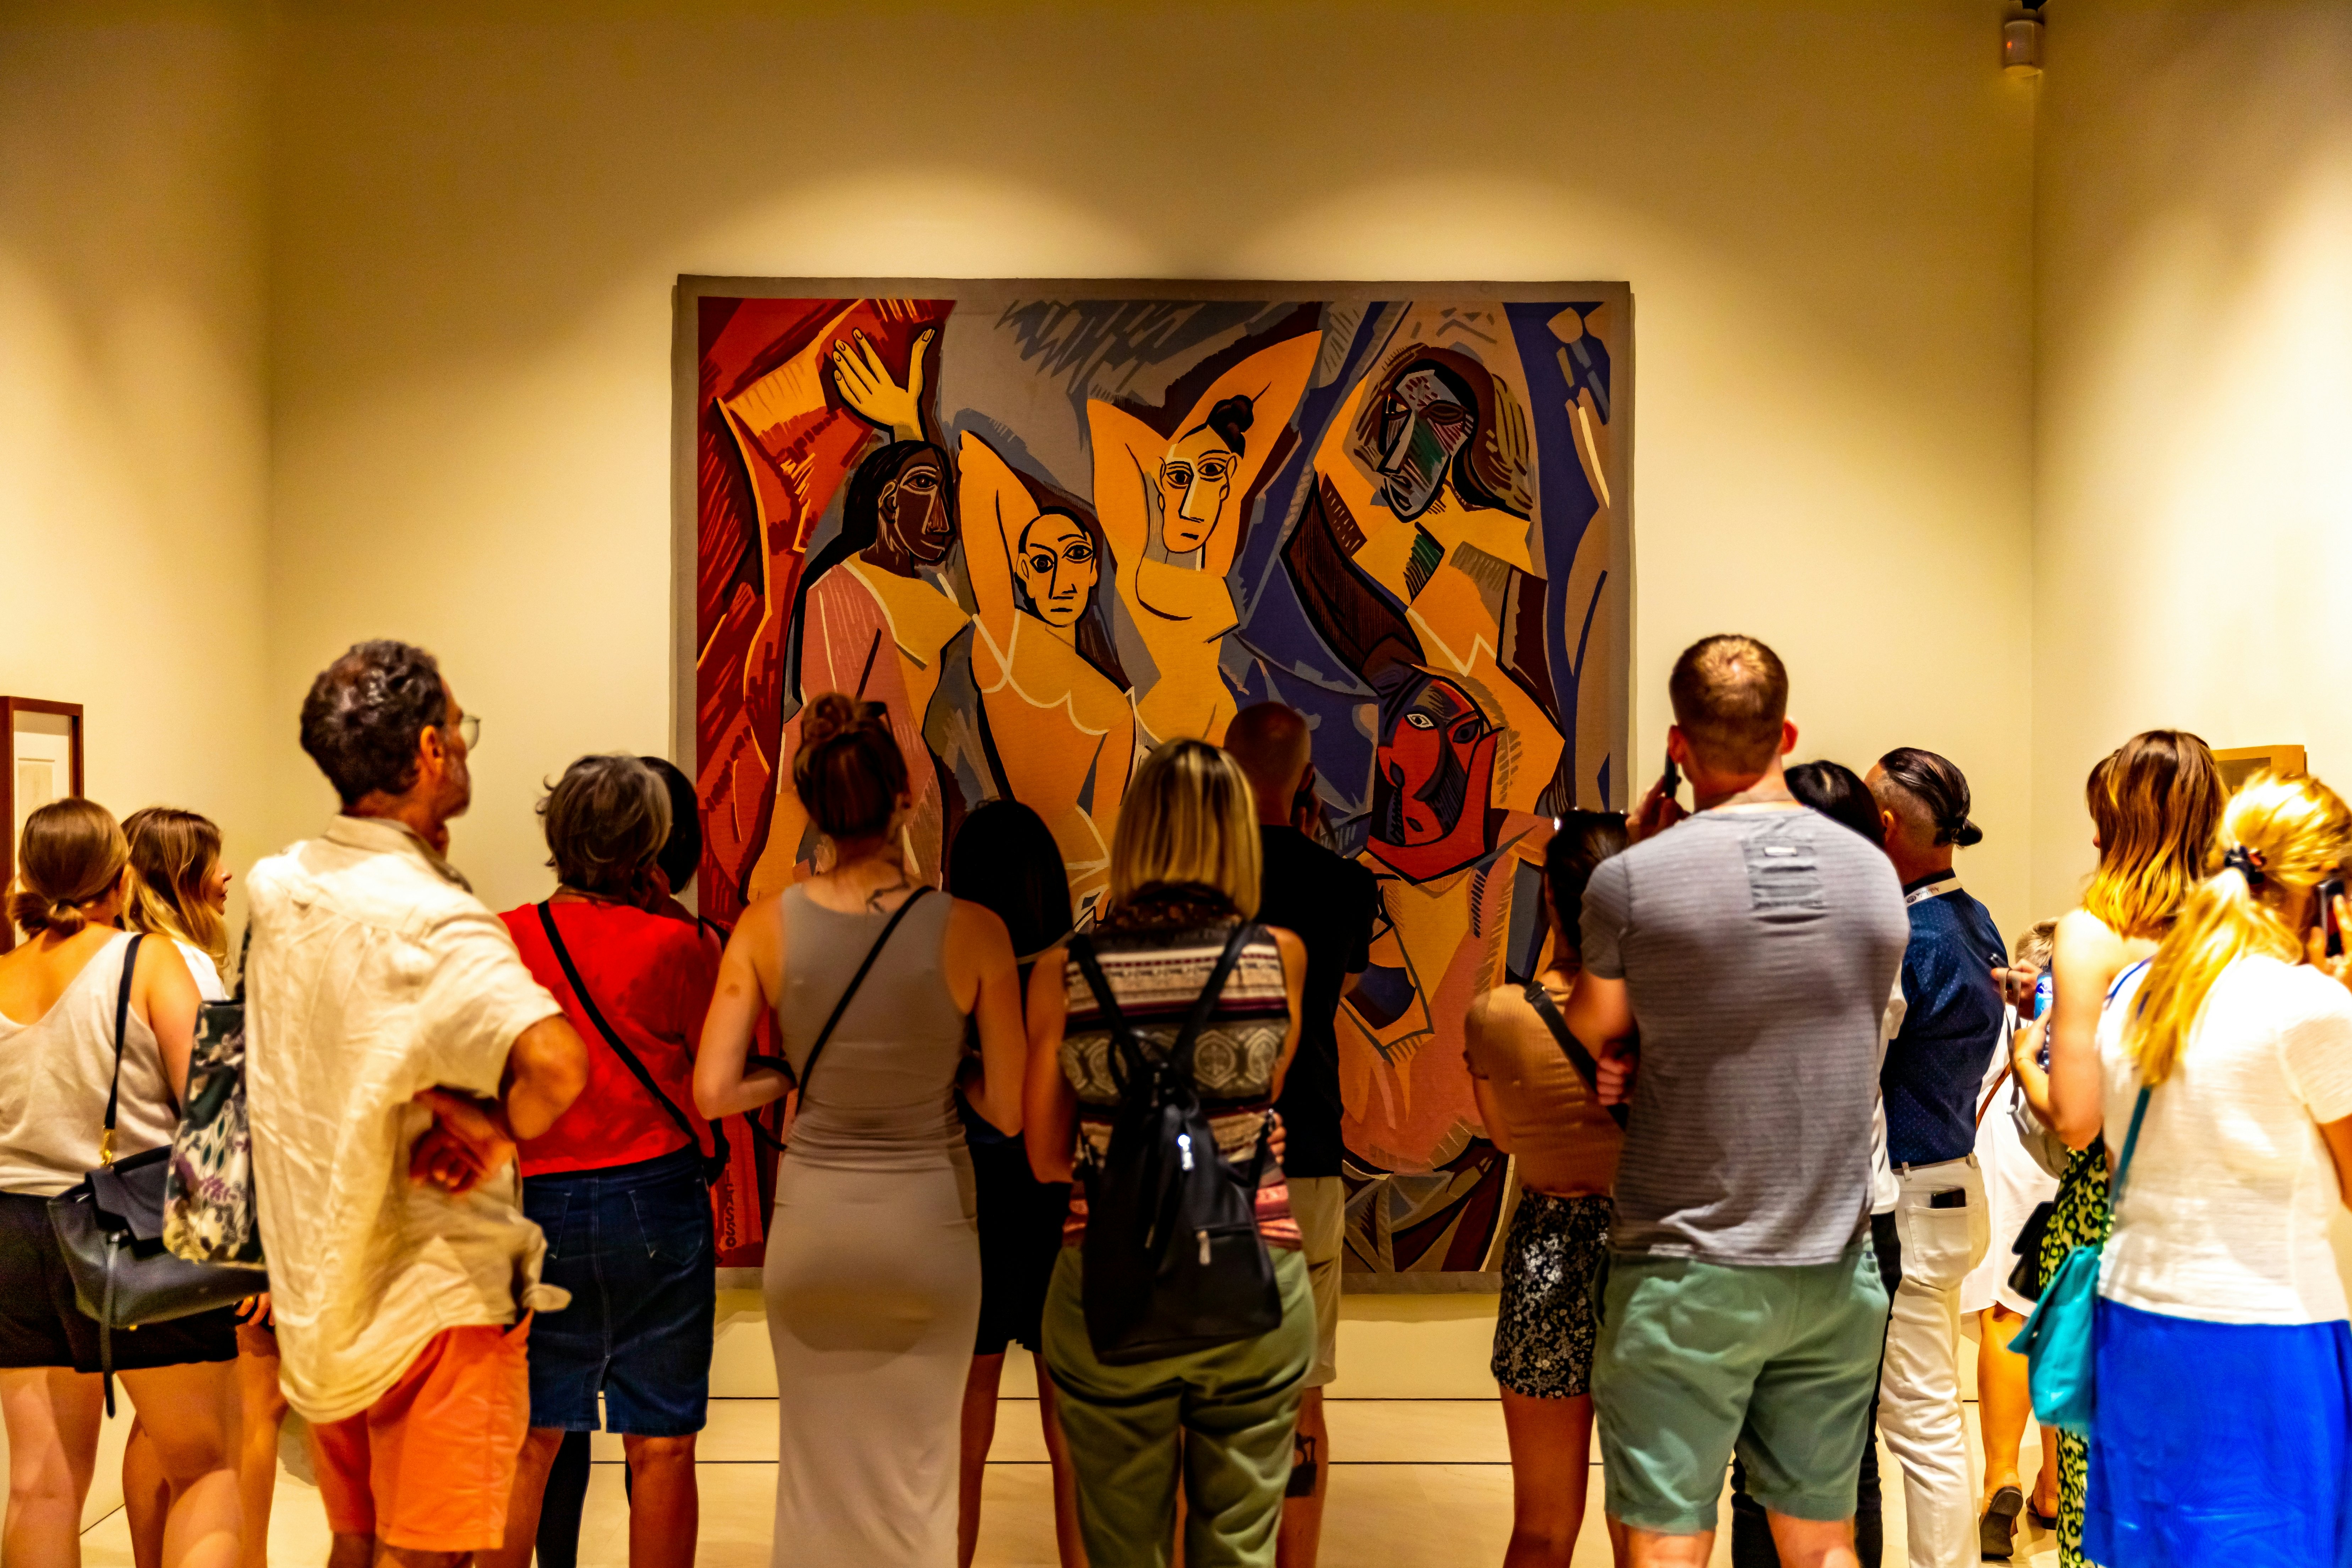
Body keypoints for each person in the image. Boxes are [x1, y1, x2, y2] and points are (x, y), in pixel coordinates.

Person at [245, 639, 591, 1567]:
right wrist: (494, 1127)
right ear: (432, 750)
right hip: (433, 1292)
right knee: (424, 1557)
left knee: (354, 1541)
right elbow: (557, 1064)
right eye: (461, 728)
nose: (467, 748)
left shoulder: (284, 890)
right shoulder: (433, 922)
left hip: (325, 1282)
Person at [1566, 636, 1907, 1568]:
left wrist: (1639, 1042)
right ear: (1786, 733)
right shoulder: (1874, 877)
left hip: (1689, 1261)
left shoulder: (1631, 881)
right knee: (1821, 1538)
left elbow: (1601, 1025)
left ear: (1678, 745)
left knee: (1670, 1537)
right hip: (1836, 1261)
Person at [694, 692, 1028, 1567]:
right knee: (922, 1473)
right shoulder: (975, 932)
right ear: (905, 798)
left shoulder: (766, 928)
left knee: (815, 1472)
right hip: (928, 1228)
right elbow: (1011, 1109)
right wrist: (941, 1065)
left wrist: (794, 1073)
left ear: (808, 807)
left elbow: (714, 1088)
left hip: (816, 1230)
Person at [1022, 738, 1312, 1568]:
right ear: (1236, 836)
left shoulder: (1063, 972)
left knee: (1121, 1547)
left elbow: (1044, 1155)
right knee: (1240, 1544)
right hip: (1252, 1269)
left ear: (1135, 833)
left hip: (1108, 1280)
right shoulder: (1277, 957)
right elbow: (1262, 1105)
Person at [2084, 770, 2352, 1566]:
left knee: (2156, 1544)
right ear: (2327, 892)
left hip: (2136, 1317)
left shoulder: (2138, 991)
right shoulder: (2307, 1007)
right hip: (2263, 1334)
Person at [478, 756, 720, 1568]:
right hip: (657, 1195)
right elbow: (711, 1073)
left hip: (536, 1199)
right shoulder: (680, 945)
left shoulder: (504, 938)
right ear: (652, 841)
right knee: (661, 1444)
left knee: (529, 1439)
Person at [0, 799, 240, 1568]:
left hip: (15, 1235)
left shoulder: (2, 973)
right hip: (135, 1231)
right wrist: (238, 1252)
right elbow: (217, 1109)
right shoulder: (151, 960)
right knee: (206, 1462)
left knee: (40, 1485)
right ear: (119, 872)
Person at [2023, 730, 2221, 1568]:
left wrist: (2023, 1069)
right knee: (2198, 1473)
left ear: (2120, 823)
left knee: (2100, 1479)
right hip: (2220, 1223)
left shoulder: (2092, 934)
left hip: (2110, 1218)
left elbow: (2076, 1120)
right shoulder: (2237, 932)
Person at [1724, 760, 1906, 1568]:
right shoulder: (1883, 935)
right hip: (1861, 1219)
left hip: (1770, 1227)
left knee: (1754, 1467)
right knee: (1839, 1461)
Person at [1221, 701, 1378, 1568]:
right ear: (1307, 780)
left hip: (1203, 1157)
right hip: (1309, 1143)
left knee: (1197, 1392)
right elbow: (1342, 989)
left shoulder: (1197, 888)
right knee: (1303, 1391)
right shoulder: (1344, 886)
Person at [118, 807, 292, 1568]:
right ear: (184, 877)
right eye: (216, 864)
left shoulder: (115, 957)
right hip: (191, 1214)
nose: (229, 877)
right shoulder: (182, 963)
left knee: (155, 1426)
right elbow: (214, 1111)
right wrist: (249, 1250)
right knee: (241, 1419)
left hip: (125, 1213)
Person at [1462, 811, 1628, 1568]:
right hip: (1646, 1255)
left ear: (1552, 904)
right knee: (1648, 1521)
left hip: (1546, 1249)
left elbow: (1500, 1137)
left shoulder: (1495, 1015)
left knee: (1540, 1525)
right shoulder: (1664, 1020)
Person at [1857, 748, 2003, 1568]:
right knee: (1929, 1405)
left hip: (1910, 1193)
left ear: (1881, 825)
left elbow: (1860, 1068)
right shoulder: (1971, 917)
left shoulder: (1909, 937)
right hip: (1952, 1174)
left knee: (1920, 1416)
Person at [944, 800, 1085, 1568]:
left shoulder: (957, 968)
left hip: (970, 1208)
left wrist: (963, 1067)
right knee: (1072, 1446)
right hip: (1059, 1205)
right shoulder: (1069, 971)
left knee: (962, 1444)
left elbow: (995, 1110)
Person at [1963, 919, 2060, 1558]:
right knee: (2062, 1320)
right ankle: (2053, 1485)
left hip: (2003, 1171)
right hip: (2068, 1173)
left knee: (2006, 1318)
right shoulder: (2089, 1022)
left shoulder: (1994, 1019)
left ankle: (2001, 1472)